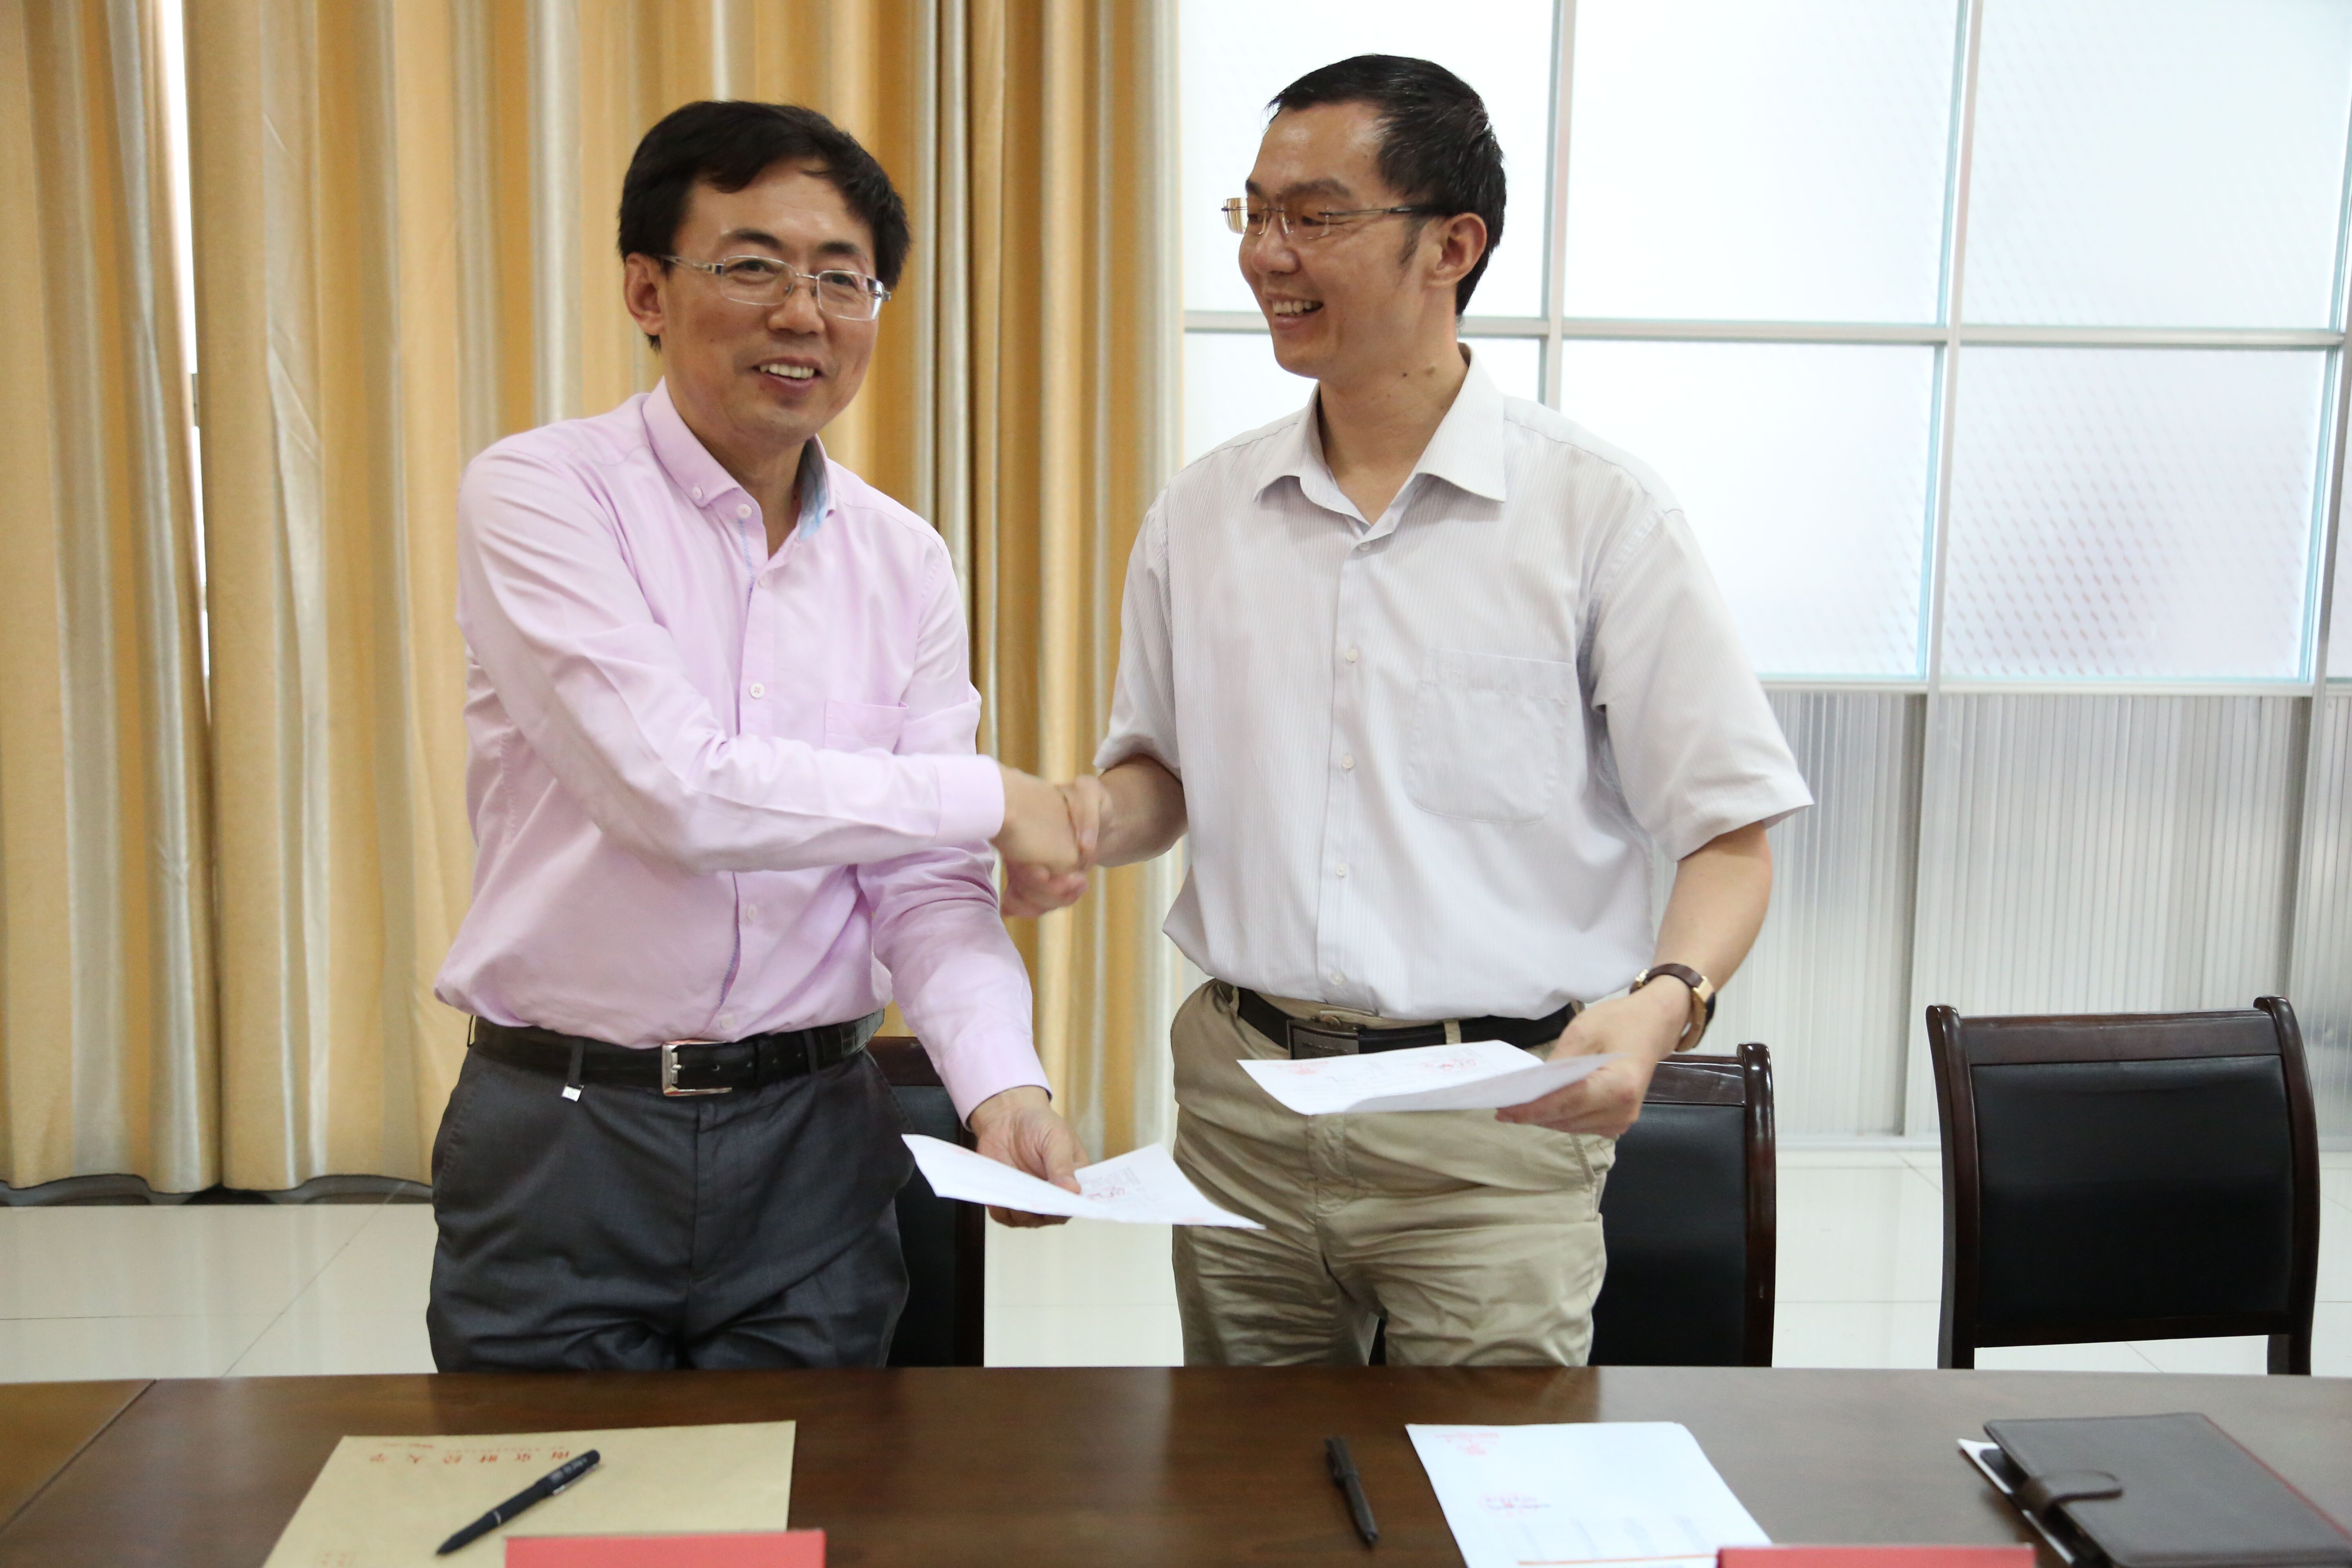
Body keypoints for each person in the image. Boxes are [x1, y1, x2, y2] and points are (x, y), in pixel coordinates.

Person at [1006, 56, 1813, 1367]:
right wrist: (1083, 816)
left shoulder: (1597, 513)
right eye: (1254, 213)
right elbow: (1164, 777)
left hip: (1492, 1126)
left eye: (1316, 216)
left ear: (1452, 245)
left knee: (1482, 1479)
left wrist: (1667, 1000)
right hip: (1247, 1111)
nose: (1268, 254)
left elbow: (1730, 832)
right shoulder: (1204, 514)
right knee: (1251, 1477)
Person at [429, 100, 1089, 1372]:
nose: (803, 314)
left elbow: (923, 878)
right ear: (647, 289)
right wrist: (990, 793)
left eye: (844, 279)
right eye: (752, 267)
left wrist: (1004, 1085)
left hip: (815, 1134)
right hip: (570, 1131)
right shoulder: (542, 494)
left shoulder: (905, 559)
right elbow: (679, 797)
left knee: (818, 1479)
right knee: (558, 1486)